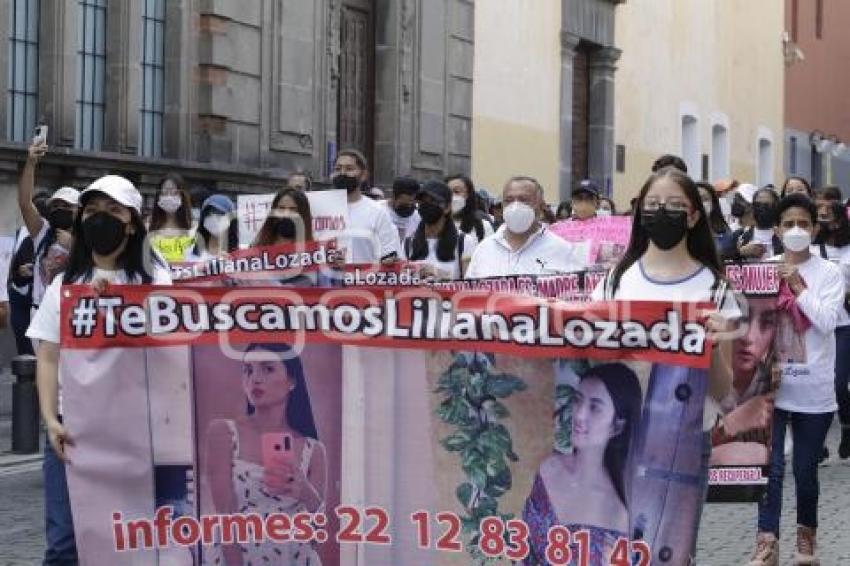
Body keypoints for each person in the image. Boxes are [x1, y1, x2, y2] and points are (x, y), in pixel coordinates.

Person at [592, 166, 740, 563]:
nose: (662, 213)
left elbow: (723, 392)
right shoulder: (615, 281)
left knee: (669, 553)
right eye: (653, 205)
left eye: (675, 206)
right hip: (619, 440)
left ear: (693, 216)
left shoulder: (715, 287)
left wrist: (709, 345)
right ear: (639, 212)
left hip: (685, 443)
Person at [26, 175, 171, 565]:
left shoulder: (158, 281)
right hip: (72, 433)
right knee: (64, 546)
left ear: (132, 222)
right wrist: (49, 418)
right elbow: (48, 355)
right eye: (91, 211)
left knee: (131, 542)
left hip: (137, 435)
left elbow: (172, 353)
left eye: (112, 211)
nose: (99, 219)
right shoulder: (65, 286)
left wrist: (127, 307)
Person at [745, 194, 844, 566]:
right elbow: (749, 325)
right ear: (777, 229)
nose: (796, 230)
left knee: (805, 472)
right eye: (788, 224)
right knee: (770, 469)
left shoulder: (829, 273)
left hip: (814, 389)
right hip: (771, 388)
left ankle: (807, 540)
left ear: (815, 228)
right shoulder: (764, 269)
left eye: (804, 223)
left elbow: (827, 321)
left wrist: (799, 286)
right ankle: (766, 543)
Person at [206, 343, 327, 565]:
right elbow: (224, 517)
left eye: (268, 369)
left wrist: (305, 492)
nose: (255, 379)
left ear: (292, 381)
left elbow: (318, 531)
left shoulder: (314, 450)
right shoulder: (223, 432)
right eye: (248, 370)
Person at [523, 363, 642, 566]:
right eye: (577, 401)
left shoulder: (621, 512)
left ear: (617, 426)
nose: (579, 415)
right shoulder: (549, 469)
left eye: (594, 407)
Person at [466, 176, 586, 278]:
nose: (515, 205)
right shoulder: (484, 249)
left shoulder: (562, 250)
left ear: (541, 206)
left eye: (524, 200)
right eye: (509, 200)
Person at [18, 141, 80, 314]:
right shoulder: (43, 232)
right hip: (41, 310)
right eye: (56, 205)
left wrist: (72, 245)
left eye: (67, 206)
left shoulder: (88, 238)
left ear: (79, 210)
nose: (60, 209)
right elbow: (24, 203)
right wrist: (31, 163)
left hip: (73, 310)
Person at [811, 200, 850, 459]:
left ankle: (846, 427)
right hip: (815, 323)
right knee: (817, 384)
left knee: (838, 383)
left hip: (844, 323)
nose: (829, 223)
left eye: (833, 218)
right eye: (823, 219)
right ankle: (818, 441)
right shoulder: (813, 249)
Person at [331, 149, 400, 263]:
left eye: (349, 169)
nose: (342, 173)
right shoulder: (319, 208)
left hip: (364, 278)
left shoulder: (377, 212)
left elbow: (390, 254)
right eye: (338, 169)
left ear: (363, 175)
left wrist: (389, 260)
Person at [403, 180, 477, 281]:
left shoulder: (464, 242)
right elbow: (400, 282)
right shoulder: (408, 243)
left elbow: (471, 285)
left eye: (433, 201)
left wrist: (438, 273)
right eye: (423, 202)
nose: (427, 205)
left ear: (447, 207)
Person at [149, 173, 195, 263]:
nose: (169, 197)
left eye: (175, 193)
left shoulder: (193, 229)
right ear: (159, 196)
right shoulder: (148, 227)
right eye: (165, 193)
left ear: (182, 196)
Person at [728, 187, 783, 261]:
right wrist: (740, 252)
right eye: (758, 205)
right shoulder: (739, 235)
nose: (762, 208)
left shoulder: (784, 236)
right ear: (752, 207)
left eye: (767, 205)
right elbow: (723, 260)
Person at [188, 194, 238, 261]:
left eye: (220, 214)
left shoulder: (239, 252)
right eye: (209, 215)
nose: (214, 219)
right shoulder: (190, 248)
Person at [446, 174, 494, 242]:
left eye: (456, 192)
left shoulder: (483, 226)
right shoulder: (435, 225)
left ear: (468, 195)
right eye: (448, 192)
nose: (451, 196)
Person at [697, 181, 733, 255]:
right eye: (697, 199)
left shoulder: (724, 232)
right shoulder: (682, 231)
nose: (700, 203)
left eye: (705, 199)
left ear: (713, 204)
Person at [384, 176, 421, 244]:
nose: (412, 198)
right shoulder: (379, 210)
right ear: (396, 194)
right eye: (409, 194)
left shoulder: (417, 216)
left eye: (415, 194)